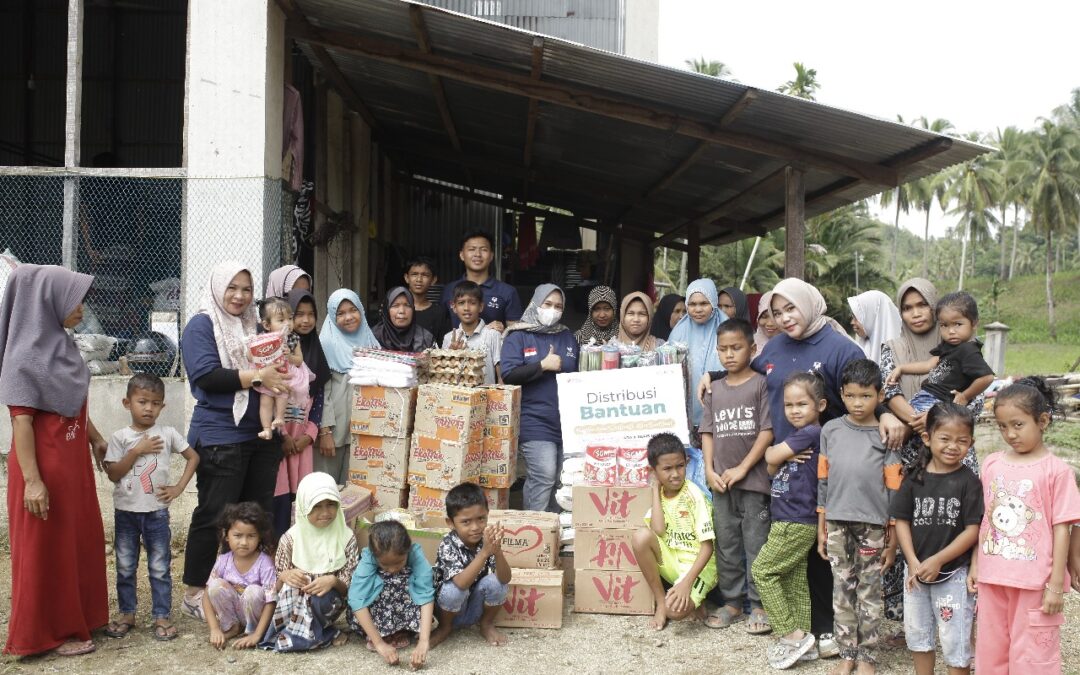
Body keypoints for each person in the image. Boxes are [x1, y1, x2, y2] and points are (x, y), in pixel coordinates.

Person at [0, 264, 110, 657]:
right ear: (45, 302)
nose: (80, 307)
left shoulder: (60, 345)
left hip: (72, 466)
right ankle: (44, 634)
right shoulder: (22, 358)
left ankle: (80, 617)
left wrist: (95, 438)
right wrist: (32, 480)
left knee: (76, 542)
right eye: (72, 298)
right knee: (44, 549)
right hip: (42, 470)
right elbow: (22, 423)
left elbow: (70, 403)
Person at [180, 262, 286, 618]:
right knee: (214, 514)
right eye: (232, 288)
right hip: (220, 434)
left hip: (259, 432)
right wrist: (258, 374)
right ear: (217, 288)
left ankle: (248, 586)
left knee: (256, 515)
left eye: (246, 289)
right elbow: (207, 375)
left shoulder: (252, 326)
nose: (240, 296)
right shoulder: (201, 325)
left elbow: (277, 362)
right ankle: (195, 590)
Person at [880, 278, 981, 622]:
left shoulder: (962, 346)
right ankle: (903, 610)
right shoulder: (891, 347)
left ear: (935, 307)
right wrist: (916, 421)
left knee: (959, 522)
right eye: (907, 308)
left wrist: (935, 422)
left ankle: (962, 607)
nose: (915, 313)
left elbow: (975, 398)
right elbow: (886, 389)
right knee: (907, 521)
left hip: (955, 449)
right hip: (909, 452)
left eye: (922, 305)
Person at [970, 378, 1080, 674]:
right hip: (993, 579)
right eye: (1002, 426)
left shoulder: (1057, 471)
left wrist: (1057, 583)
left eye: (1018, 425)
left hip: (1034, 582)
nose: (1010, 434)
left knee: (1032, 658)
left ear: (1042, 421)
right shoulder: (991, 464)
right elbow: (984, 520)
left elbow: (1063, 528)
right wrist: (976, 563)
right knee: (990, 654)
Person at [817, 359, 902, 674]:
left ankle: (867, 656)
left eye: (865, 396)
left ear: (879, 396)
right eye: (851, 395)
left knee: (869, 590)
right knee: (842, 589)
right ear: (842, 393)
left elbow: (894, 484)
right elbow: (823, 481)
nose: (857, 403)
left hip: (873, 525)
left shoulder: (886, 433)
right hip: (837, 522)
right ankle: (847, 653)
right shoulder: (831, 430)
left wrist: (892, 533)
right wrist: (821, 528)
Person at [103, 373, 199, 641]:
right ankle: (127, 613)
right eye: (142, 401)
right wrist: (137, 450)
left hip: (156, 512)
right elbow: (113, 473)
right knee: (125, 565)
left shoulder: (167, 434)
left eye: (155, 403)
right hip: (126, 513)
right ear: (127, 403)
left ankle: (161, 615)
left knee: (159, 566)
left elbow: (193, 457)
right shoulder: (120, 437)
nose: (148, 408)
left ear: (163, 406)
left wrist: (179, 487)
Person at [891, 403, 983, 675]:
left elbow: (973, 530)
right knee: (918, 636)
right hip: (916, 573)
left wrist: (938, 560)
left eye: (962, 441)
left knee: (955, 641)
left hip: (953, 574)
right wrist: (913, 561)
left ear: (971, 443)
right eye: (945, 438)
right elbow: (902, 521)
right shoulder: (913, 477)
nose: (953, 446)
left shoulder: (969, 481)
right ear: (927, 438)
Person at [700, 319, 773, 633]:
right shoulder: (714, 390)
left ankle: (759, 605)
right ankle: (732, 603)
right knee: (727, 544)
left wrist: (743, 468)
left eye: (737, 347)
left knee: (757, 544)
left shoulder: (761, 384)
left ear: (752, 348)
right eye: (723, 349)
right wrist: (708, 470)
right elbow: (707, 433)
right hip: (720, 483)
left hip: (754, 482)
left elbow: (767, 431)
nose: (729, 355)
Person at [753, 372, 828, 669]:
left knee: (763, 571)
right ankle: (805, 642)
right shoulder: (798, 436)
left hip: (795, 518)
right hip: (790, 516)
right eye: (788, 405)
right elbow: (771, 468)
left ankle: (791, 634)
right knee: (795, 579)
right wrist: (777, 458)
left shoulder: (808, 434)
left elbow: (770, 455)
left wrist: (777, 455)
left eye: (802, 404)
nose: (794, 410)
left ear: (820, 405)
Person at [501, 284, 579, 511]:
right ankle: (534, 532)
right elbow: (508, 375)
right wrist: (542, 365)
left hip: (565, 422)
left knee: (562, 480)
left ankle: (555, 533)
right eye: (548, 304)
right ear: (536, 303)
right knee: (543, 475)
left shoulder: (567, 336)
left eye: (558, 306)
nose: (553, 310)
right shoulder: (518, 336)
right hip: (533, 420)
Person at [261, 472, 359, 652]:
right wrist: (286, 575)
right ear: (304, 506)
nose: (325, 512)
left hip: (327, 603)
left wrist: (333, 581)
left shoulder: (346, 537)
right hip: (293, 605)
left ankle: (311, 633)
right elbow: (277, 583)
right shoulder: (290, 538)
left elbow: (350, 587)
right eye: (316, 506)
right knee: (289, 589)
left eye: (331, 505)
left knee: (321, 598)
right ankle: (325, 634)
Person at [632, 432, 718, 631]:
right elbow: (659, 530)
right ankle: (661, 602)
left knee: (675, 612)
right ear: (653, 471)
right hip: (674, 561)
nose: (675, 474)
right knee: (640, 537)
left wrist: (686, 583)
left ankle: (694, 598)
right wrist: (654, 488)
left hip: (699, 567)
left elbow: (708, 548)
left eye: (680, 466)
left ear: (687, 462)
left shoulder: (694, 496)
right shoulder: (661, 493)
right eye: (667, 469)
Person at [273, 289, 331, 536]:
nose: (305, 321)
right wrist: (283, 437)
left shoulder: (315, 354)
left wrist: (309, 436)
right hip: (280, 439)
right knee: (278, 498)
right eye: (299, 314)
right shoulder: (277, 351)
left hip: (303, 442)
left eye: (311, 315)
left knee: (302, 497)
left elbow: (317, 402)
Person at [430, 482, 512, 647]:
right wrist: (484, 553)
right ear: (451, 523)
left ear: (487, 515)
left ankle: (486, 624)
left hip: (473, 608)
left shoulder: (486, 540)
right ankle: (445, 628)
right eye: (466, 522)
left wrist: (497, 551)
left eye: (481, 519)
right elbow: (460, 583)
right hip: (448, 609)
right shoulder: (448, 544)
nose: (475, 527)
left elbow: (505, 578)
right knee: (453, 590)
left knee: (497, 583)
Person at [885, 291, 994, 412]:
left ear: (974, 324)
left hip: (939, 402)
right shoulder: (949, 347)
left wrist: (965, 396)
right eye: (944, 325)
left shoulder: (968, 350)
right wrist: (901, 368)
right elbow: (929, 364)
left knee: (910, 424)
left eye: (957, 324)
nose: (951, 331)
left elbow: (987, 377)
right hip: (925, 397)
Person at [349, 521, 436, 668]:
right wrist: (379, 643)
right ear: (374, 555)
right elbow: (357, 599)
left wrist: (423, 641)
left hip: (402, 608)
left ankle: (402, 629)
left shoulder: (415, 554)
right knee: (387, 579)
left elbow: (425, 594)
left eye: (399, 562)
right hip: (378, 611)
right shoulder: (369, 558)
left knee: (405, 578)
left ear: (408, 550)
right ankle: (381, 632)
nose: (392, 568)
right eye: (384, 564)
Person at [318, 289, 379, 484]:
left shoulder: (370, 341)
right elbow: (321, 392)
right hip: (334, 434)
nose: (349, 317)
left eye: (353, 310)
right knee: (328, 486)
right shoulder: (326, 343)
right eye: (341, 313)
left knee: (355, 490)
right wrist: (325, 431)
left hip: (363, 432)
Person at [203, 502, 277, 650]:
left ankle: (252, 631)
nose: (244, 542)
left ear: (259, 537)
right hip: (234, 612)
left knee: (254, 591)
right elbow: (206, 596)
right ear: (226, 535)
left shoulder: (265, 563)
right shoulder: (223, 560)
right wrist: (215, 629)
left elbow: (271, 602)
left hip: (256, 618)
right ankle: (232, 626)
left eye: (251, 536)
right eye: (237, 535)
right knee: (216, 586)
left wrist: (257, 635)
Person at [248, 297, 314, 441]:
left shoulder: (293, 339)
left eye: (290, 319)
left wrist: (289, 356)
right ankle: (266, 429)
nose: (287, 324)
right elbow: (250, 356)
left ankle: (279, 418)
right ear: (266, 324)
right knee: (265, 401)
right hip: (267, 377)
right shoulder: (261, 339)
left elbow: (299, 360)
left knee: (282, 397)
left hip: (285, 376)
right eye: (281, 320)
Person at [669, 278, 726, 429]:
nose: (698, 309)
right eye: (692, 304)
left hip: (722, 407)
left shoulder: (727, 329)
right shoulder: (678, 333)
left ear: (713, 302)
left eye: (704, 303)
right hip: (684, 409)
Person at [440, 230, 523, 333]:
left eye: (483, 249)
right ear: (461, 255)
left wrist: (503, 331)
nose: (477, 254)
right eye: (472, 249)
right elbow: (440, 328)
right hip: (456, 348)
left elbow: (516, 334)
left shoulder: (507, 292)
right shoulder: (449, 290)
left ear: (491, 255)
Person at [442, 280, 503, 384]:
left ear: (481, 307)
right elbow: (444, 375)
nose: (466, 308)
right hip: (457, 397)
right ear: (454, 307)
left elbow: (501, 375)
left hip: (486, 397)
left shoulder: (492, 334)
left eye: (472, 303)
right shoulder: (449, 338)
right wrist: (452, 354)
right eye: (461, 303)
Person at [404, 256, 452, 344]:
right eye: (414, 274)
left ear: (433, 280)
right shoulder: (395, 310)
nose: (419, 279)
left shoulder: (440, 312)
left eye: (425, 275)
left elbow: (444, 346)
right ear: (407, 278)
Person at [372, 287, 436, 352]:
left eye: (407, 305)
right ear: (387, 310)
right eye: (395, 306)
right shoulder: (374, 336)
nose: (402, 311)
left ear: (413, 309)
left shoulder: (425, 338)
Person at [847, 290, 901, 364]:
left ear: (871, 318)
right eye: (852, 317)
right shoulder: (862, 346)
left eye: (857, 318)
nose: (852, 322)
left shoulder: (898, 351)